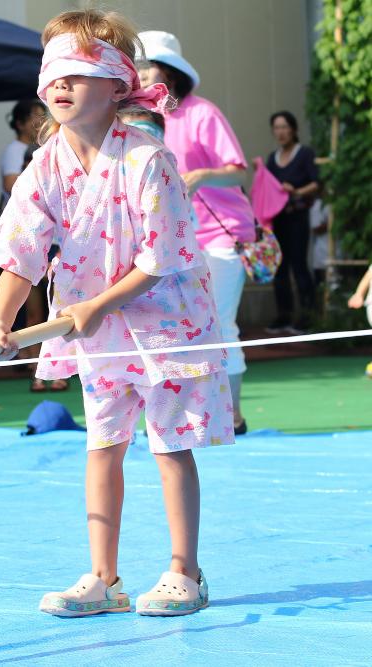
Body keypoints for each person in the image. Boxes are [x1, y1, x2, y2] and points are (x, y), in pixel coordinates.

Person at [0, 9, 232, 617]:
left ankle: (185, 572)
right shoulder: (43, 168)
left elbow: (162, 255)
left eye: (78, 71)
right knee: (103, 443)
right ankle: (103, 577)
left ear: (118, 84)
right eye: (53, 75)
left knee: (170, 445)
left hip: (166, 318)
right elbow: (21, 252)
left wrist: (96, 303)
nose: (61, 85)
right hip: (96, 324)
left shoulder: (148, 160)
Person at [138, 30, 252, 436]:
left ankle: (233, 415)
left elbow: (241, 170)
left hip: (221, 237)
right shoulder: (142, 119)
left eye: (146, 64)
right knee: (168, 327)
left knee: (219, 323)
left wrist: (202, 176)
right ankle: (180, 415)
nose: (139, 71)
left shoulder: (203, 112)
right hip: (170, 241)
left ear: (167, 71)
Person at [266, 110, 319, 333]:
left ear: (294, 129)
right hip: (278, 220)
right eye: (276, 127)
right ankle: (284, 315)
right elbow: (267, 188)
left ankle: (308, 315)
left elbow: (317, 183)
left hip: (297, 217)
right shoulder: (272, 158)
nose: (281, 132)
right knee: (279, 268)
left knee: (299, 266)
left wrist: (295, 192)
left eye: (284, 127)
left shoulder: (305, 153)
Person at [0, 99, 44, 209]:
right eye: (35, 115)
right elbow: (10, 185)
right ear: (20, 124)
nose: (40, 121)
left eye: (42, 116)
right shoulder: (15, 150)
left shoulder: (35, 147)